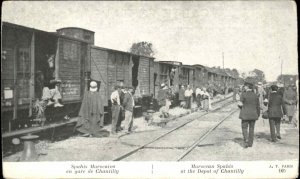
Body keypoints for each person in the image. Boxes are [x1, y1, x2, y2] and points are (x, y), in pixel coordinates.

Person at [239, 82, 260, 148]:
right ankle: (250, 143)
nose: (244, 87)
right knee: (252, 129)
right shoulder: (255, 95)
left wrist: (242, 109)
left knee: (244, 127)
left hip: (245, 114)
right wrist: (258, 114)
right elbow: (258, 106)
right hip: (253, 115)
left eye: (245, 86)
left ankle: (246, 139)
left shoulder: (243, 94)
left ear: (247, 87)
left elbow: (240, 104)